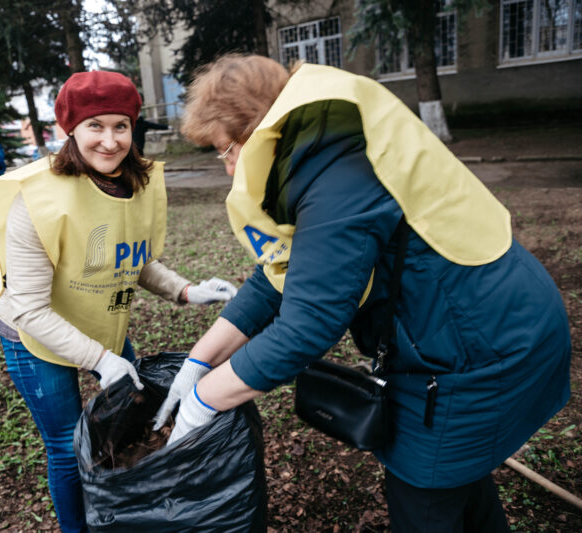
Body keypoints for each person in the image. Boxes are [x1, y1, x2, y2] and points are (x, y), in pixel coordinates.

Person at [152, 54, 571, 532]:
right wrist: (198, 362)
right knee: (454, 474)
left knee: (425, 492)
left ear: (257, 130)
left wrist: (205, 400)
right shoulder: (314, 151)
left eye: (227, 150)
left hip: (480, 350)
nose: (228, 169)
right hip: (480, 329)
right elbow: (278, 277)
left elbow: (308, 325)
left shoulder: (335, 175)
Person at [0, 70, 238, 533]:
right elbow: (28, 307)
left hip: (99, 318)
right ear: (71, 130)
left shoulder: (133, 183)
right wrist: (101, 360)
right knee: (65, 443)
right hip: (32, 332)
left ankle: (122, 511)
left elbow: (131, 259)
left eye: (120, 125)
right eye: (94, 126)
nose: (109, 140)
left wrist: (185, 289)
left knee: (129, 421)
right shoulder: (36, 199)